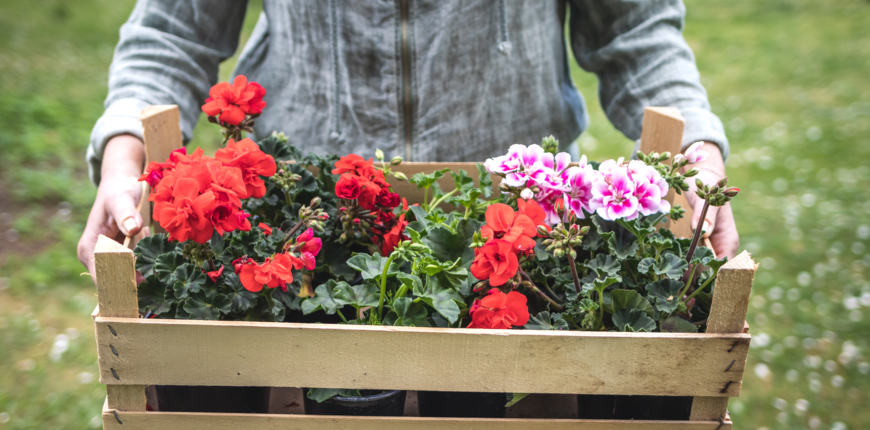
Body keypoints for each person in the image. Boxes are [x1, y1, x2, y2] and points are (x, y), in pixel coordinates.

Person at [78, 0, 738, 280]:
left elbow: (635, 33)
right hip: (302, 230)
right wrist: (122, 153)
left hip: (523, 234)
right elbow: (173, 31)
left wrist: (697, 152)